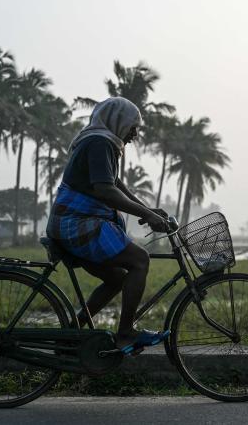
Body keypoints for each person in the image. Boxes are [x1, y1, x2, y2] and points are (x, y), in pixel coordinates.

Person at [46, 97, 170, 353]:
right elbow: (106, 192)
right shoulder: (99, 142)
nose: (134, 135)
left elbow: (115, 184)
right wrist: (148, 215)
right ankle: (125, 333)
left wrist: (147, 211)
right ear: (118, 122)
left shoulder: (102, 142)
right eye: (133, 127)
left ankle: (71, 332)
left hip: (71, 223)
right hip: (75, 223)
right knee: (140, 260)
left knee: (116, 280)